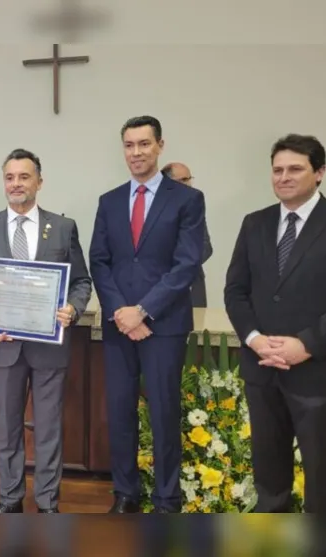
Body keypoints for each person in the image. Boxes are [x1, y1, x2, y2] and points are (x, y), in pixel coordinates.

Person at [224, 133, 326, 512]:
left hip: (319, 372)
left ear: (320, 172)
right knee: (269, 477)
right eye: (277, 170)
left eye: (295, 168)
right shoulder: (254, 223)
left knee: (322, 478)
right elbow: (235, 291)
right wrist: (256, 339)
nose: (284, 177)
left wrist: (305, 345)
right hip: (263, 370)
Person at [0, 148, 92, 513]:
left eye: (24, 176)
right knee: (7, 427)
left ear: (39, 181)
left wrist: (73, 308)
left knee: (49, 427)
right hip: (1, 346)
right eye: (9, 177)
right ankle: (9, 499)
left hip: (49, 346)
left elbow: (81, 281)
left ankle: (48, 502)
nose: (16, 184)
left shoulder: (63, 227)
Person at [89, 115, 205, 513]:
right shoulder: (109, 200)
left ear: (159, 145)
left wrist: (143, 311)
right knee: (120, 413)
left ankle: (166, 498)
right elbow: (99, 262)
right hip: (119, 324)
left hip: (164, 325)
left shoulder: (187, 199)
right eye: (129, 145)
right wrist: (121, 312)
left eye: (143, 144)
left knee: (163, 413)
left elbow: (186, 263)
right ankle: (125, 494)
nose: (136, 152)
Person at [161, 162, 213, 307]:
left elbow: (206, 247)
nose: (189, 184)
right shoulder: (152, 210)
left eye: (190, 179)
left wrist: (181, 265)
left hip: (192, 285)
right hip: (159, 286)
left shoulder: (195, 209)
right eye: (184, 180)